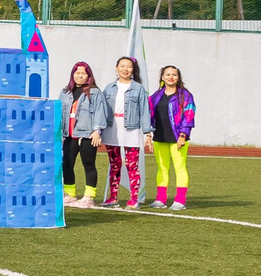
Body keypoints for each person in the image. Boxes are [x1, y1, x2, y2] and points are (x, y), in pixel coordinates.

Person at [100, 55, 148, 209]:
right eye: (122, 66)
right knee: (114, 164)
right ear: (116, 68)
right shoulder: (109, 87)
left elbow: (144, 111)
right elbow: (101, 109)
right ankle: (113, 197)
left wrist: (147, 132)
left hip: (131, 128)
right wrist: (98, 129)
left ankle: (134, 198)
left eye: (128, 66)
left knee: (132, 165)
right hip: (111, 127)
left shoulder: (138, 88)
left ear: (133, 70)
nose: (125, 69)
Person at [149, 65, 195, 209]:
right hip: (159, 136)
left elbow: (189, 116)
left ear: (178, 77)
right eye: (167, 74)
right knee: (162, 168)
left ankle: (180, 200)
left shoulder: (185, 95)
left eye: (174, 74)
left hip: (177, 137)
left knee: (179, 168)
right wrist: (148, 134)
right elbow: (149, 115)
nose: (171, 77)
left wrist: (183, 135)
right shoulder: (156, 96)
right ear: (162, 77)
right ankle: (161, 199)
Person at [59, 61, 105, 208]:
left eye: (83, 73)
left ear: (88, 75)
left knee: (89, 164)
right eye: (77, 73)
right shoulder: (65, 92)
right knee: (66, 164)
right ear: (72, 75)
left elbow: (100, 111)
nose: (80, 76)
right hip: (68, 135)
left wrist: (97, 131)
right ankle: (70, 194)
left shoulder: (95, 92)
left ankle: (89, 196)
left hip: (87, 135)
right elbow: (58, 112)